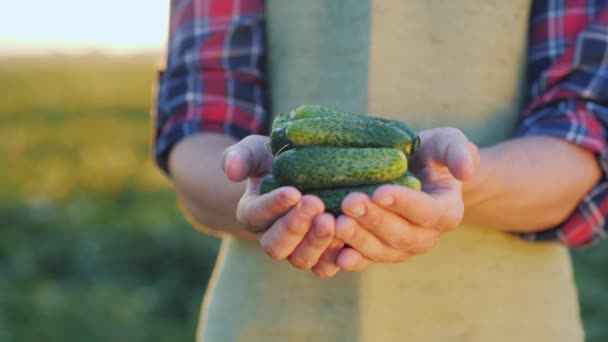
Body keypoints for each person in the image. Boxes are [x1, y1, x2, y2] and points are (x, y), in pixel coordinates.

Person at [154, 0, 608, 341]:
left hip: (508, 320)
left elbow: (582, 137)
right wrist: (258, 193)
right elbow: (199, 127)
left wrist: (460, 181)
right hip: (268, 320)